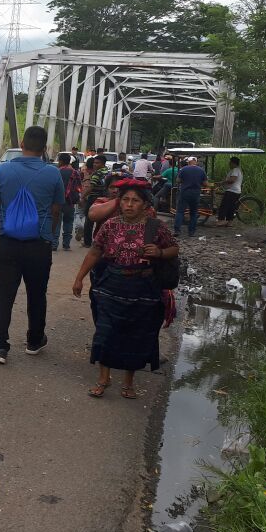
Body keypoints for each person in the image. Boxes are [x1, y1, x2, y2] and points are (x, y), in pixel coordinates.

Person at [73, 182, 179, 399]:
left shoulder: (156, 227)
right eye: (125, 200)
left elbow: (174, 248)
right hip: (111, 285)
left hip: (143, 289)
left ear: (145, 204)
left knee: (135, 336)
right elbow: (94, 252)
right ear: (119, 202)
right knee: (105, 333)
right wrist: (79, 278)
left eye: (135, 200)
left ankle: (128, 383)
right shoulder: (110, 226)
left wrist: (159, 252)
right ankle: (103, 379)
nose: (129, 204)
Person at [0, 125, 65, 363]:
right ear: (45, 149)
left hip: (8, 241)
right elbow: (57, 209)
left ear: (22, 146)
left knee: (5, 294)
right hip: (39, 244)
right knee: (37, 294)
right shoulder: (53, 174)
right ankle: (34, 340)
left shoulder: (2, 171)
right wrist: (50, 233)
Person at [174, 156, 207, 237]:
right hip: (195, 193)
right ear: (196, 162)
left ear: (188, 162)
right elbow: (206, 184)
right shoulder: (201, 170)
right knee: (193, 213)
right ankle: (191, 232)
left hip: (185, 192)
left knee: (180, 211)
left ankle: (177, 231)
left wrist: (185, 181)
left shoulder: (183, 169)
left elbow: (178, 180)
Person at [81, 155, 109, 246]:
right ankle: (101, 241)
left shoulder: (97, 174)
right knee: (101, 220)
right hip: (104, 198)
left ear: (103, 163)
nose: (94, 164)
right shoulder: (107, 172)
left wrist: (82, 196)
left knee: (89, 220)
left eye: (97, 163)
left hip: (94, 198)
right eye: (94, 162)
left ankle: (87, 242)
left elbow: (91, 187)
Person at [56, 152, 81, 251]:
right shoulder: (75, 172)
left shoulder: (57, 171)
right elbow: (79, 187)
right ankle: (66, 244)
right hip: (70, 202)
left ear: (61, 161)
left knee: (57, 222)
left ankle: (54, 244)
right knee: (68, 222)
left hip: (58, 201)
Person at [214, 156, 243, 227]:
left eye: (230, 162)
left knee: (224, 206)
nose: (229, 164)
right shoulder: (236, 170)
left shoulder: (235, 170)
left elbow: (232, 180)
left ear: (233, 163)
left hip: (232, 191)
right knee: (231, 207)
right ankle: (230, 221)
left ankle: (221, 220)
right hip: (235, 191)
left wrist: (222, 182)